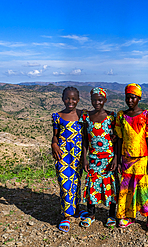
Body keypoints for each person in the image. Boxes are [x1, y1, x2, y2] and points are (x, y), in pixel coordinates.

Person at [115, 83, 148, 233]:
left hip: (142, 158)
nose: (130, 100)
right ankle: (128, 216)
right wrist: (119, 159)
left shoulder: (146, 114)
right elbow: (119, 139)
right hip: (126, 158)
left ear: (139, 98)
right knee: (126, 188)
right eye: (128, 97)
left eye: (133, 97)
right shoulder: (121, 116)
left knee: (143, 188)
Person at [79, 87, 118, 228]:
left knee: (111, 187)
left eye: (100, 100)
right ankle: (91, 214)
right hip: (93, 159)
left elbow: (117, 138)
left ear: (105, 100)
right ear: (91, 100)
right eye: (94, 100)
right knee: (92, 186)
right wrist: (85, 159)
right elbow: (84, 140)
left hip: (108, 159)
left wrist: (115, 159)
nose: (97, 102)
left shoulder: (111, 116)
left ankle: (111, 215)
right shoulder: (86, 117)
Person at [51, 86, 88, 233]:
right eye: (67, 98)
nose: (70, 101)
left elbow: (86, 136)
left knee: (76, 182)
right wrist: (54, 143)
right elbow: (55, 134)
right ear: (62, 98)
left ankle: (76, 209)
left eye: (73, 99)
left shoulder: (83, 115)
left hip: (78, 155)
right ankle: (66, 215)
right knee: (65, 183)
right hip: (62, 154)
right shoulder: (57, 116)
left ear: (78, 100)